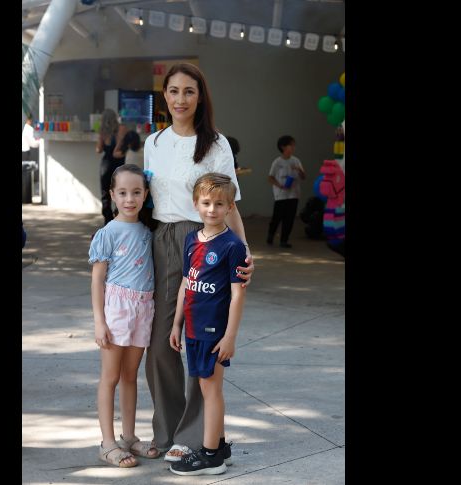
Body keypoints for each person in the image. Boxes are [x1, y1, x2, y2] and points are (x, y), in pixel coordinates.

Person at [143, 62, 254, 465]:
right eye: (173, 91)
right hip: (163, 238)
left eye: (189, 91)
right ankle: (167, 427)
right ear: (165, 96)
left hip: (206, 240)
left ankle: (192, 436)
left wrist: (243, 251)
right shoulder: (153, 141)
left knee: (200, 341)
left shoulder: (216, 144)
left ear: (200, 96)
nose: (180, 99)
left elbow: (230, 202)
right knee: (160, 344)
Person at [167, 173, 246, 476]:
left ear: (229, 208)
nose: (212, 209)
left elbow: (238, 295)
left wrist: (230, 337)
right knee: (207, 388)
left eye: (219, 204)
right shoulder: (191, 240)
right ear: (196, 204)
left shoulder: (232, 245)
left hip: (214, 332)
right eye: (206, 203)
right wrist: (176, 324)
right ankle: (221, 445)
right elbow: (187, 283)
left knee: (210, 391)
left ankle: (211, 455)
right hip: (192, 329)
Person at [89, 164, 161, 468]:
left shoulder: (148, 232)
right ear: (112, 195)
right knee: (111, 377)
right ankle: (108, 444)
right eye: (122, 193)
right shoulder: (107, 233)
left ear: (145, 194)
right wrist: (99, 321)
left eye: (136, 192)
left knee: (131, 376)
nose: (129, 199)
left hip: (143, 309)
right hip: (117, 309)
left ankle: (129, 437)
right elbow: (97, 280)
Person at [267, 135, 306, 248]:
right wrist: (280, 185)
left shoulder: (296, 160)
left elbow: (303, 176)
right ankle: (271, 234)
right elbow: (270, 177)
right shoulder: (277, 162)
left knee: (289, 218)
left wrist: (299, 170)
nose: (293, 147)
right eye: (291, 145)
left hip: (294, 194)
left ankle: (284, 240)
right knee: (277, 217)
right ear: (283, 147)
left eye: (293, 145)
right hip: (281, 195)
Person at [96, 109, 128, 225]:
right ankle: (120, 219)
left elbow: (99, 149)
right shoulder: (122, 129)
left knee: (106, 194)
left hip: (106, 165)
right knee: (121, 192)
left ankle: (107, 221)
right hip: (119, 165)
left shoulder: (103, 132)